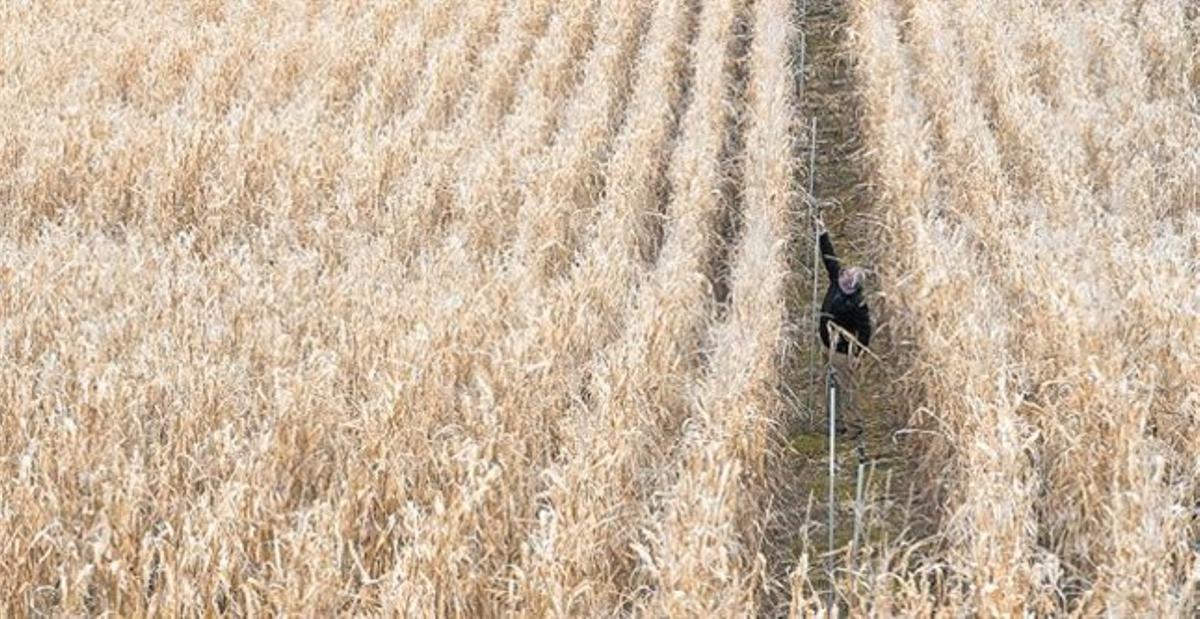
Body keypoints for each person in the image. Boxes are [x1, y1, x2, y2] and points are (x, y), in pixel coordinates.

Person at [816, 217, 872, 363]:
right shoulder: (837, 278)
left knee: (839, 380)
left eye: (847, 275)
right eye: (846, 272)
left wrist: (858, 355)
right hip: (826, 341)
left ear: (852, 285)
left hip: (842, 353)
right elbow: (829, 257)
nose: (843, 273)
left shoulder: (858, 304)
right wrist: (822, 233)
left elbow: (865, 332)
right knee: (827, 371)